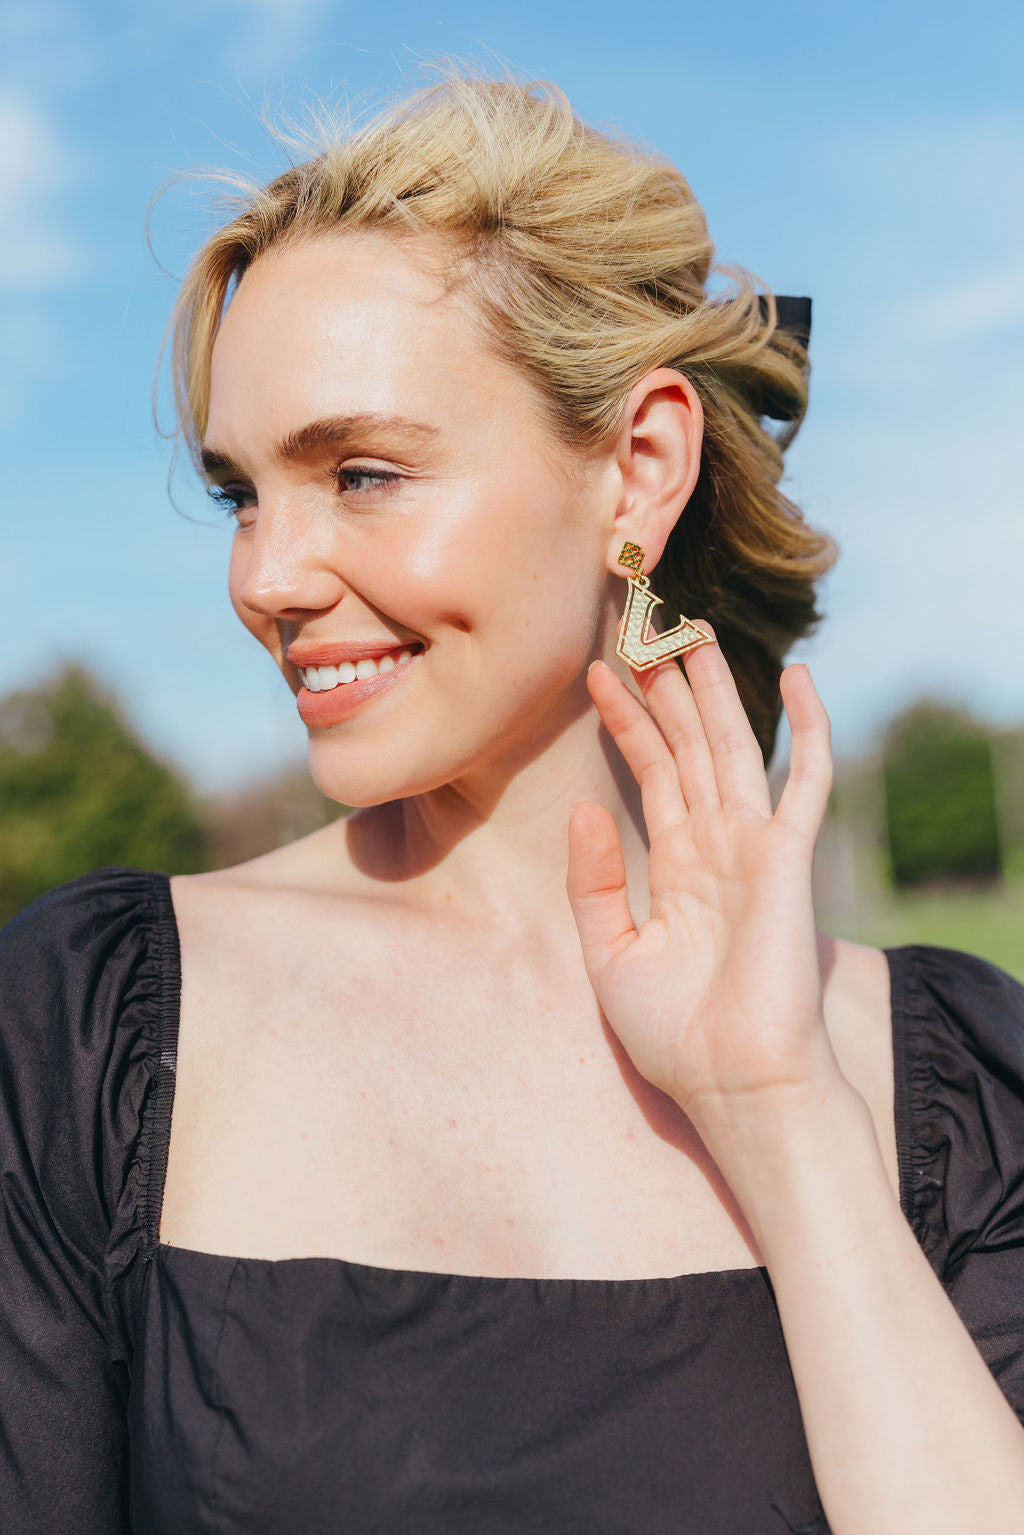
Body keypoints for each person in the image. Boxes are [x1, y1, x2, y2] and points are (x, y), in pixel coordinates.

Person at [2, 71, 1024, 1535]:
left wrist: (784, 1118)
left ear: (639, 469)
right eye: (241, 493)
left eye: (360, 472)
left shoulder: (949, 1090)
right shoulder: (83, 1033)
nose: (264, 578)